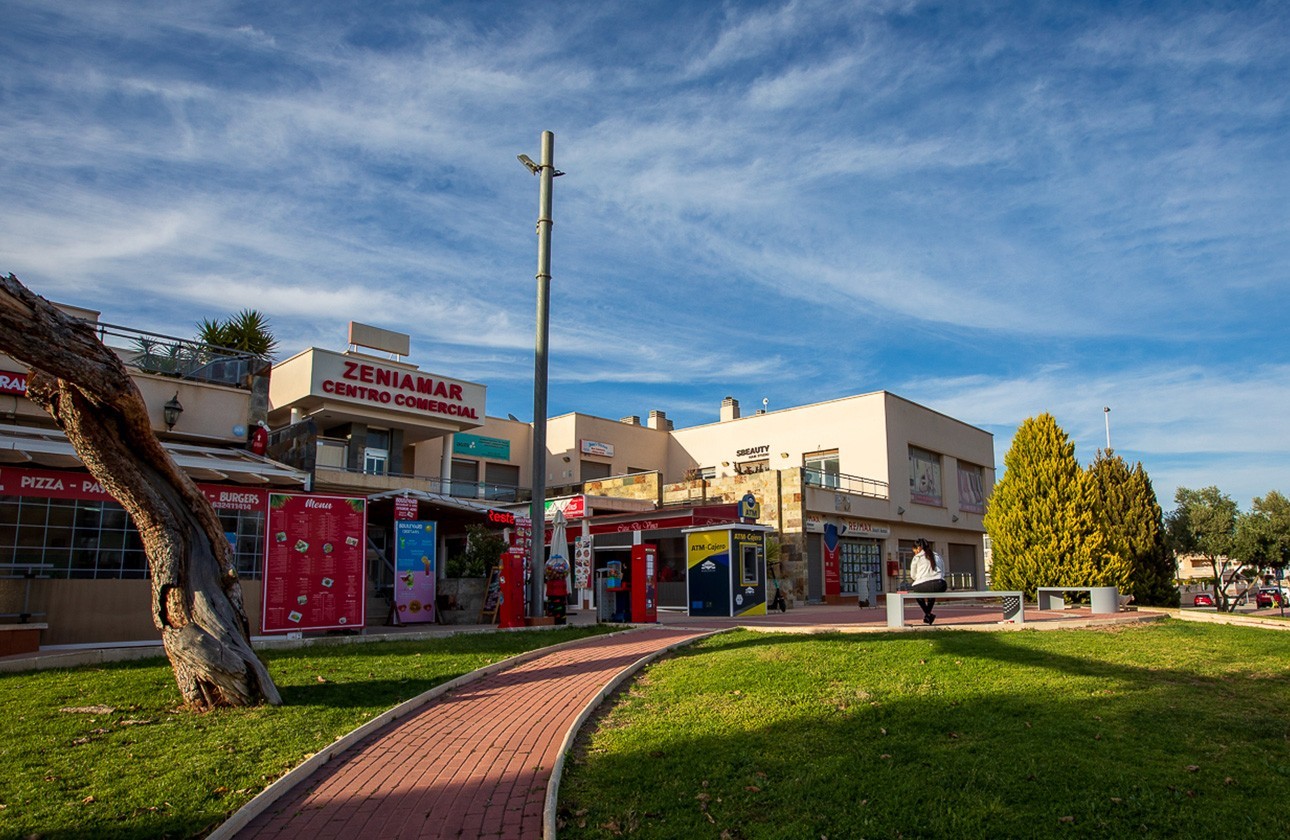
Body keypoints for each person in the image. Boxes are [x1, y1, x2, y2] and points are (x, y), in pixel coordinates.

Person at [909, 538, 947, 625]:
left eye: (914, 551)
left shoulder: (917, 557)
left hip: (924, 584)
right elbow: (943, 571)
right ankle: (928, 616)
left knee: (917, 592)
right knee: (932, 593)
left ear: (918, 548)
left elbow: (913, 575)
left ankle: (928, 614)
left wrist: (920, 578)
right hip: (940, 584)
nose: (915, 553)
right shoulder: (937, 555)